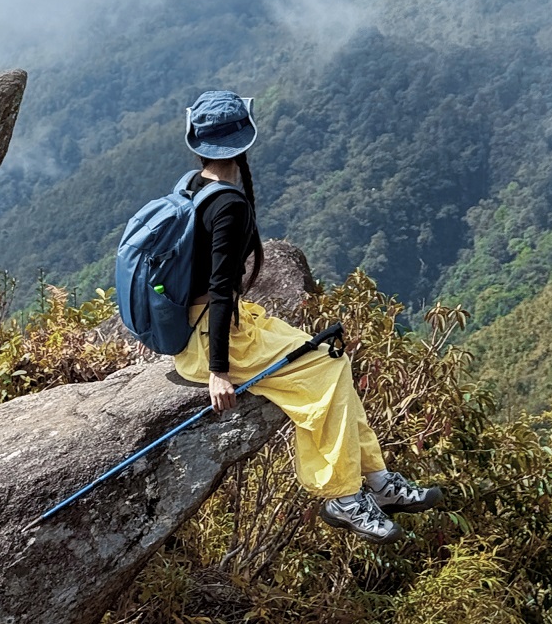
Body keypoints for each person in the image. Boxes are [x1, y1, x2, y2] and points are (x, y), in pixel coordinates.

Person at [175, 89, 442, 543]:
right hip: (215, 338)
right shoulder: (229, 205)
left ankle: (376, 480)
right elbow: (221, 289)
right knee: (327, 367)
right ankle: (341, 495)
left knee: (329, 357)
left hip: (206, 324)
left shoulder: (192, 186)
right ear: (242, 142)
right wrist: (218, 372)